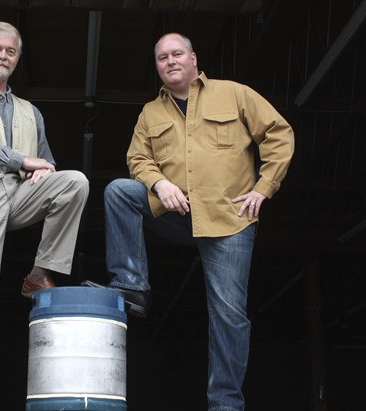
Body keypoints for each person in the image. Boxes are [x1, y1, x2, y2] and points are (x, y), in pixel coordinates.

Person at [83, 32, 294, 410]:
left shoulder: (234, 93)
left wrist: (265, 187)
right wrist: (160, 183)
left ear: (194, 59)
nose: (170, 61)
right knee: (118, 191)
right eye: (162, 57)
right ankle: (132, 283)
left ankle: (225, 404)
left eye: (177, 53)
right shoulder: (151, 113)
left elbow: (278, 133)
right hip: (177, 215)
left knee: (229, 316)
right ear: (158, 66)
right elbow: (137, 160)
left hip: (230, 219)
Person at [0, 21, 89, 411]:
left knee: (74, 182)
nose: (3, 56)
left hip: (17, 194)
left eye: (10, 51)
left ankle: (41, 273)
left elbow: (46, 159)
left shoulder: (29, 111)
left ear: (17, 57)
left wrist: (43, 169)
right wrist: (22, 161)